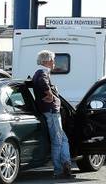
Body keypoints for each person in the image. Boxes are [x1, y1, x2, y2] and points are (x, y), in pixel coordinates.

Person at [32, 50, 74, 179]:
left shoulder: (42, 72)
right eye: (52, 60)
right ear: (46, 61)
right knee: (57, 141)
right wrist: (49, 94)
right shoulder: (42, 72)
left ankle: (66, 165)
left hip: (52, 112)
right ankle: (58, 170)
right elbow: (42, 82)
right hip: (51, 112)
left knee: (63, 140)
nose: (54, 62)